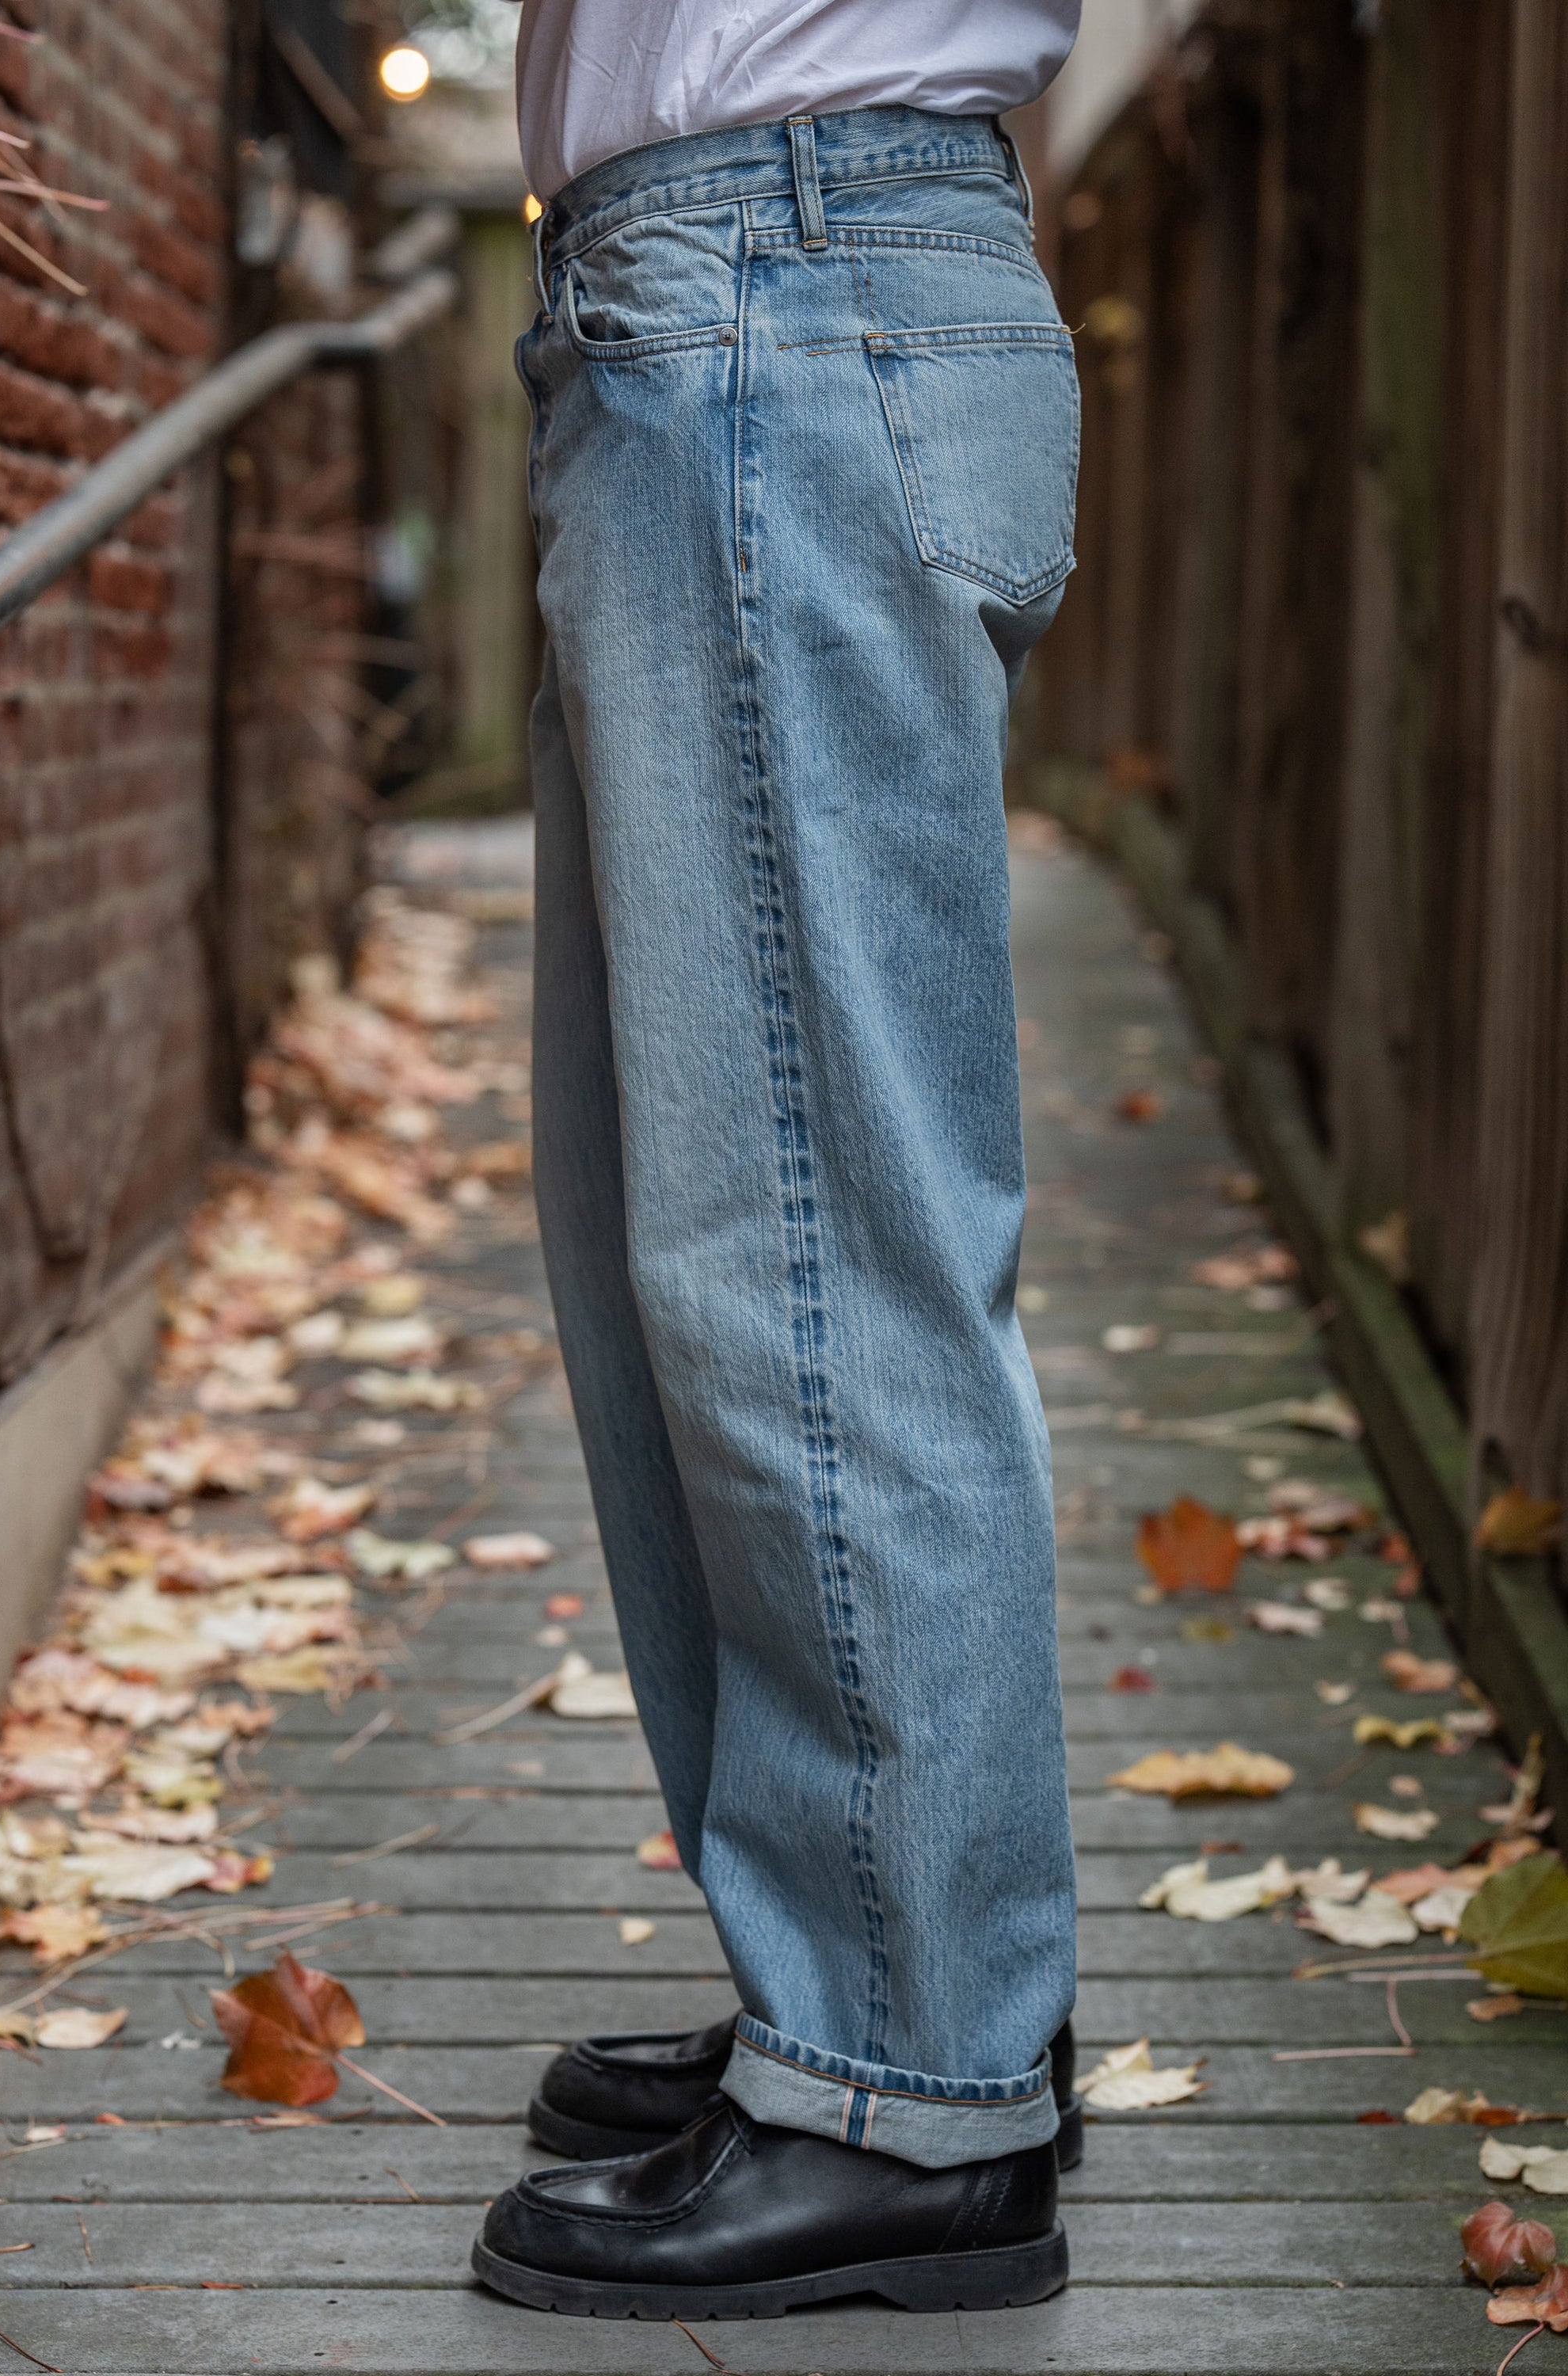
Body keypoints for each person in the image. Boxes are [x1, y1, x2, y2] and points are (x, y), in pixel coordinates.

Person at [473, 0, 1085, 2321]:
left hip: (779, 280)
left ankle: (912, 2084)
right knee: (704, 1245)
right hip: (734, 288)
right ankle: (885, 1976)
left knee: (802, 1249)